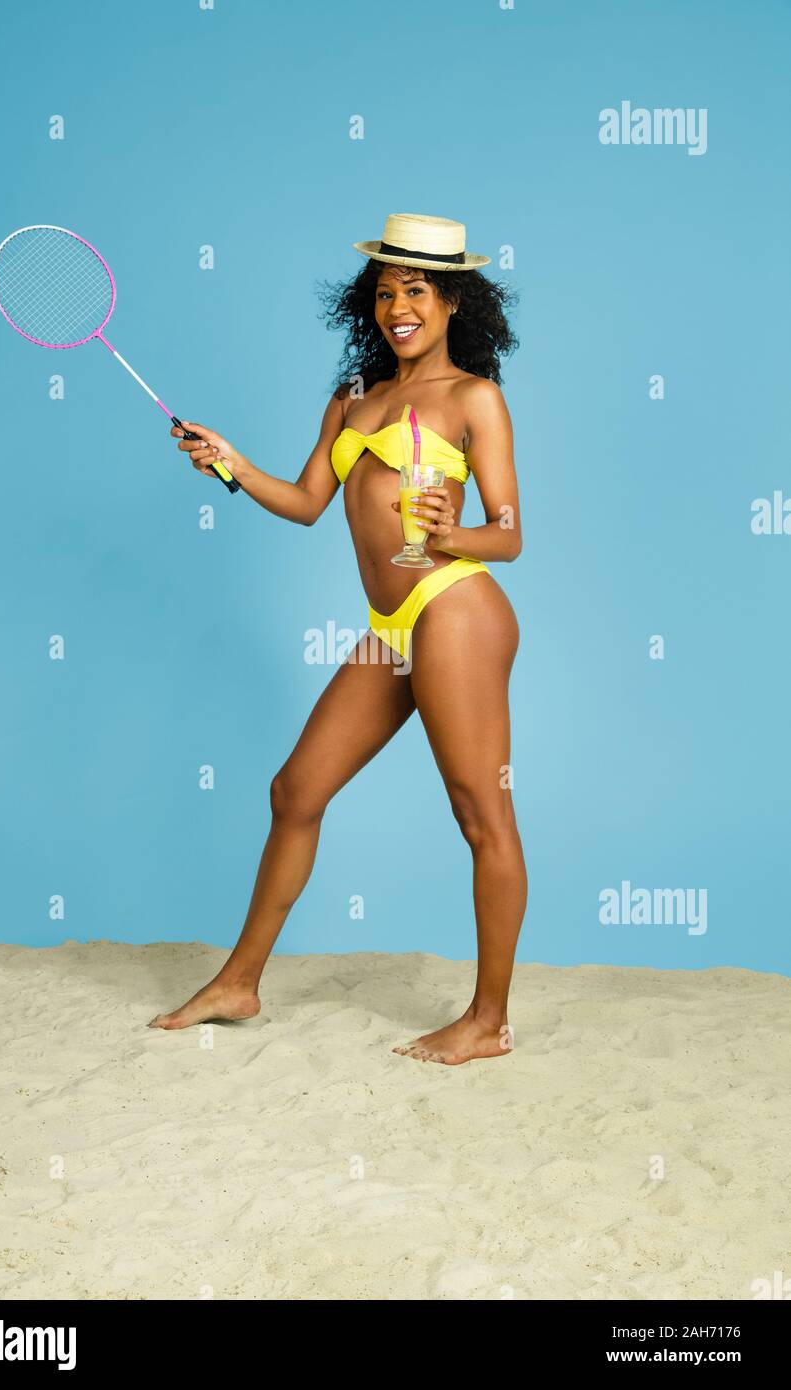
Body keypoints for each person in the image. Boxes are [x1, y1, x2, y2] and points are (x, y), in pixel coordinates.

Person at [149, 213, 526, 1064]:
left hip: (454, 608)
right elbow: (309, 501)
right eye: (385, 291)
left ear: (454, 301)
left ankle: (488, 1021)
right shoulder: (354, 398)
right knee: (296, 791)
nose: (399, 306)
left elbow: (510, 534)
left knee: (480, 814)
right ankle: (240, 981)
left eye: (417, 291)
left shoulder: (475, 399)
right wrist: (231, 464)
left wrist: (450, 535)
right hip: (390, 627)